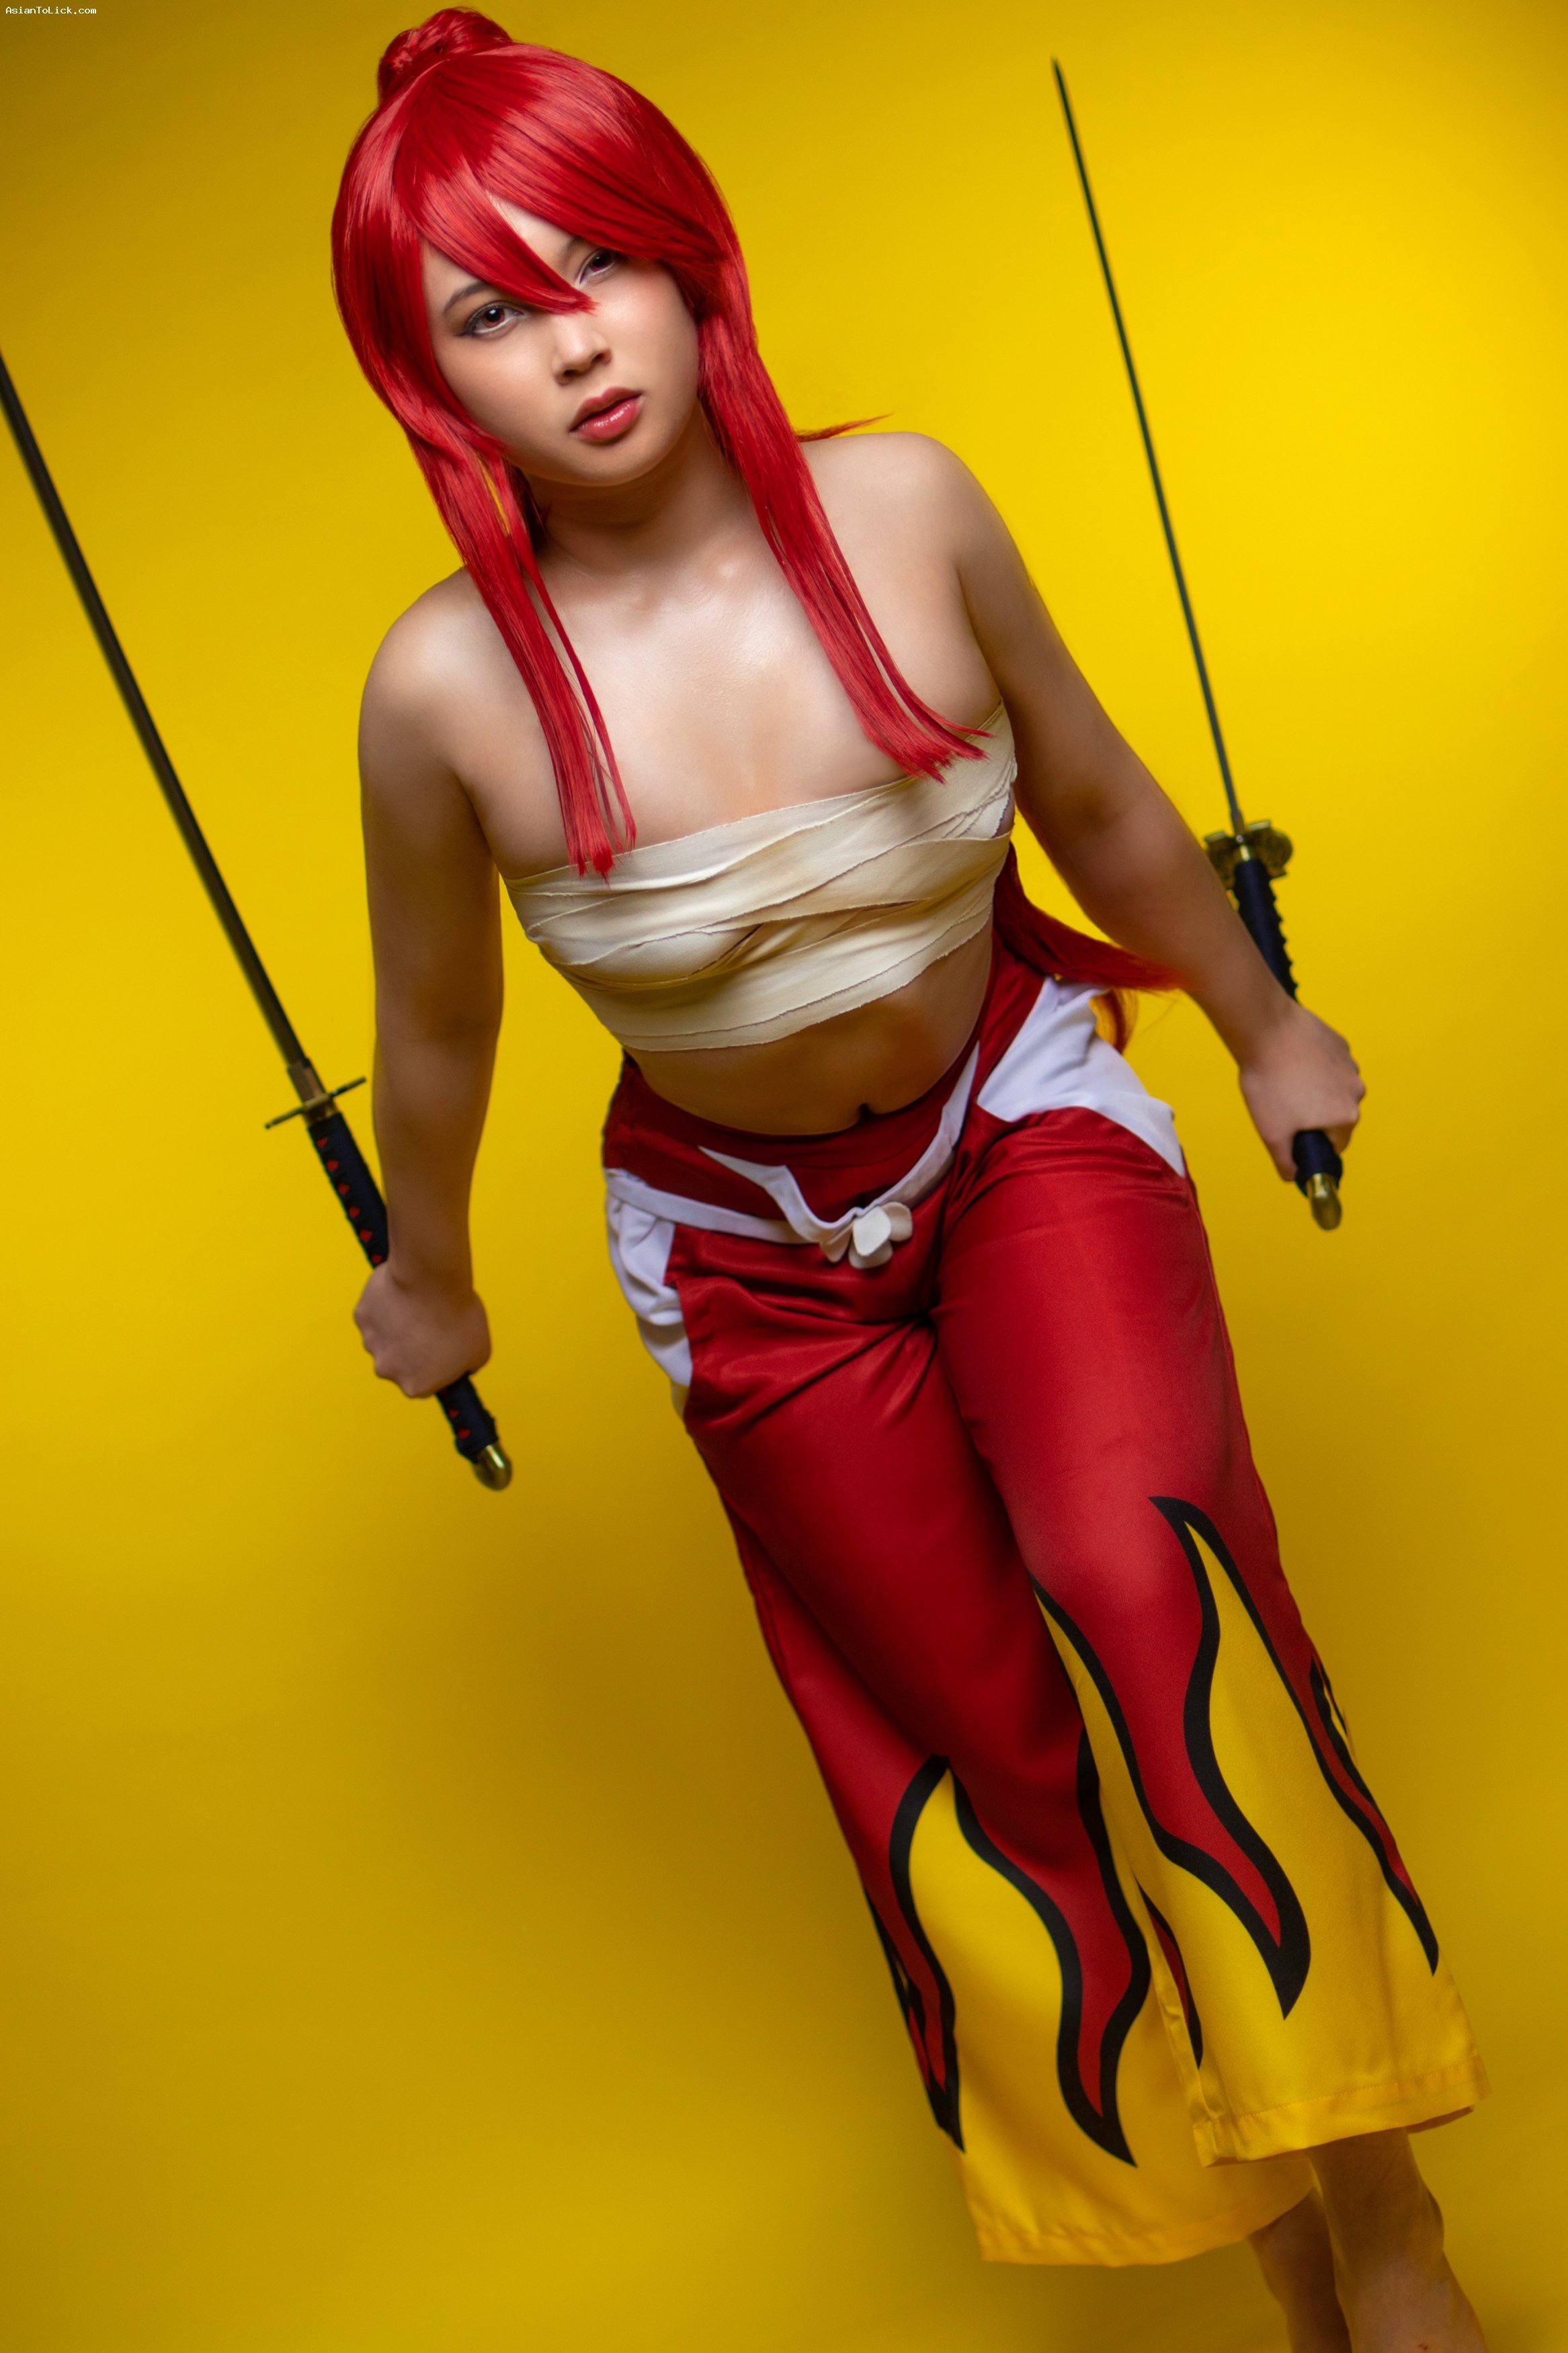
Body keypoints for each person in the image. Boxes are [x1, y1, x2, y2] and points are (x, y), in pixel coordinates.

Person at [332, 13, 1489, 2344]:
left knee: (1144, 1583)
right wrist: (430, 1278)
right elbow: (438, 1033)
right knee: (980, 1734)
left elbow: (1100, 798)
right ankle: (1267, 2245)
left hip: (1015, 1113)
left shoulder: (911, 508)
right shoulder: (441, 691)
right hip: (742, 1252)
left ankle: (1386, 2224)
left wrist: (1263, 1026)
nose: (574, 341)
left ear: (692, 265)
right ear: (426, 380)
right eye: (491, 311)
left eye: (600, 264)